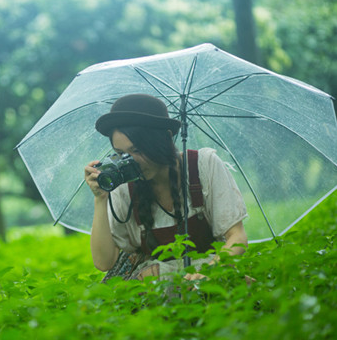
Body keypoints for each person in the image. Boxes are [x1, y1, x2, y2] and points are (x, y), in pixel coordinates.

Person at [84, 93, 248, 283]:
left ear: (166, 138)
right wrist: (100, 198)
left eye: (137, 150)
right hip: (156, 286)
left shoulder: (203, 166)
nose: (131, 162)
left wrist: (209, 274)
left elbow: (237, 237)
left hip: (211, 274)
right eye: (121, 154)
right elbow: (104, 262)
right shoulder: (124, 187)